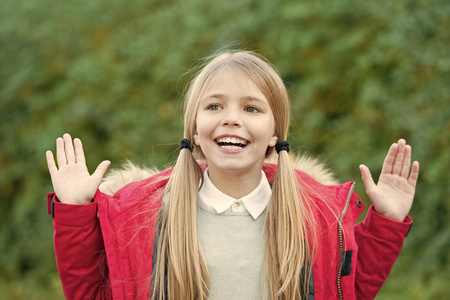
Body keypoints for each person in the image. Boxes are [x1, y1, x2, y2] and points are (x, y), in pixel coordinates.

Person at [46, 51, 420, 300]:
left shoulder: (316, 216)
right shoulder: (140, 217)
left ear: (276, 134)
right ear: (194, 130)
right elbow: (92, 293)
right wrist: (75, 211)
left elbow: (346, 289)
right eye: (214, 105)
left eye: (252, 108)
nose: (231, 118)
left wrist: (386, 221)